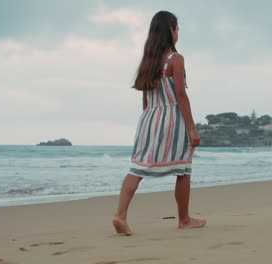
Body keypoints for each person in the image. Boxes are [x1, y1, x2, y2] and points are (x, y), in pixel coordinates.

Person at [112, 10, 206, 235]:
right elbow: (181, 95)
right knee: (183, 168)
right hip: (173, 118)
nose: (178, 33)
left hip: (149, 119)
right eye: (177, 29)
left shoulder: (148, 62)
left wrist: (151, 124)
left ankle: (120, 215)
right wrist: (192, 129)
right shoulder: (176, 59)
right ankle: (184, 219)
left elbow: (145, 99)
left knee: (137, 167)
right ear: (170, 31)